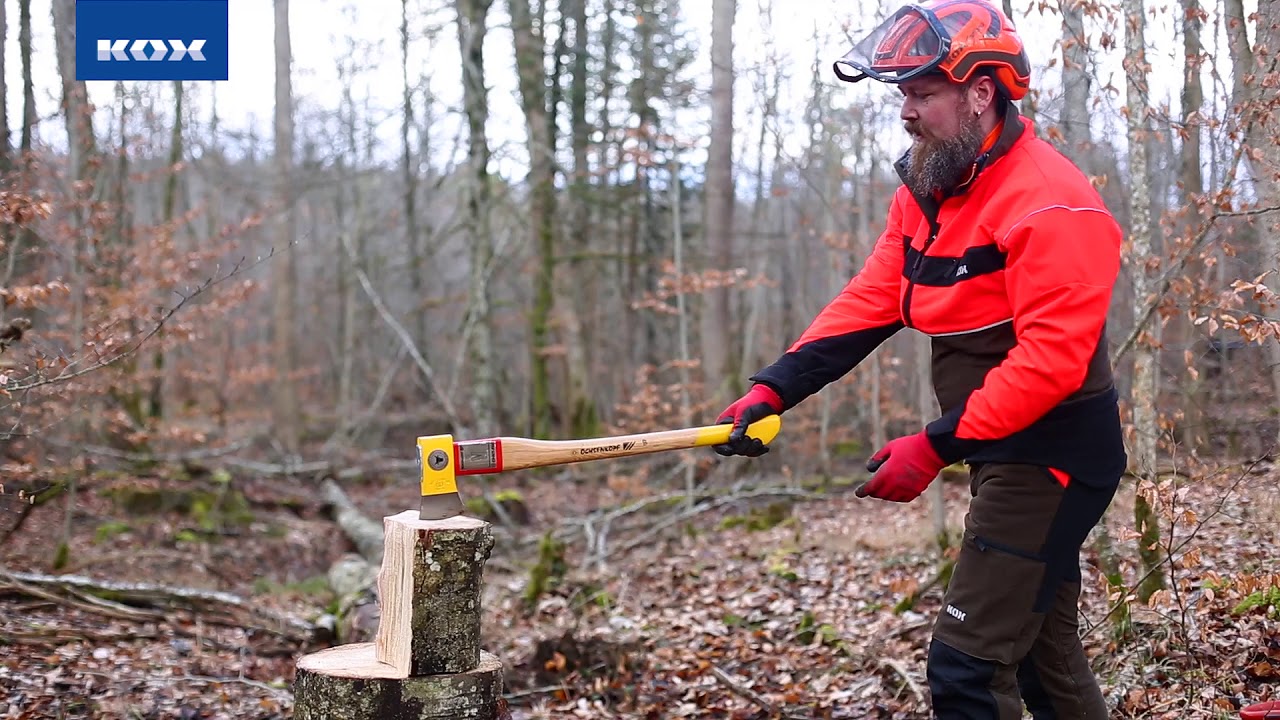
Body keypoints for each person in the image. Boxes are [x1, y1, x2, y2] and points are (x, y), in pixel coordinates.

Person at [712, 1, 1126, 718]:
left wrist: (934, 446)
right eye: (902, 94)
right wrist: (775, 389)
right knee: (1042, 660)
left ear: (981, 92)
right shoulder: (935, 187)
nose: (906, 111)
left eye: (923, 93)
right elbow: (877, 293)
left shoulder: (1052, 204)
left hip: (1051, 458)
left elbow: (1051, 363)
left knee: (965, 670)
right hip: (1003, 449)